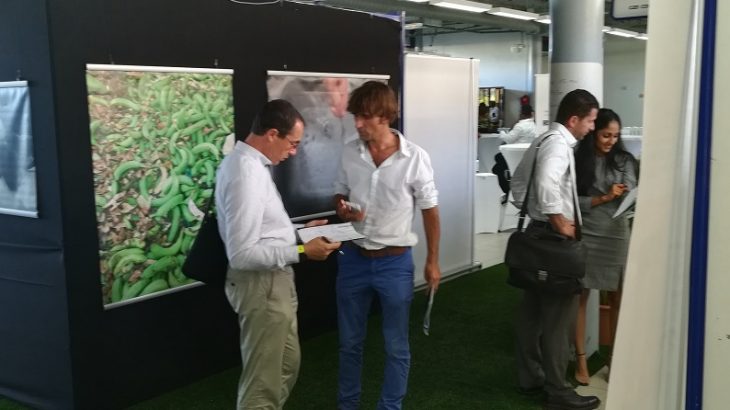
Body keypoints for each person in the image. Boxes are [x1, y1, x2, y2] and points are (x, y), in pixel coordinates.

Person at [215, 99, 341, 409]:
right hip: (262, 287)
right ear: (272, 134)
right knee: (263, 384)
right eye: (293, 143)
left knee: (285, 365)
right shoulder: (246, 173)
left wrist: (300, 231)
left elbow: (263, 231)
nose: (294, 152)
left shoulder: (251, 165)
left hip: (273, 284)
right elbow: (241, 254)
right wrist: (302, 250)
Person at [333, 81, 441, 410]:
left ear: (385, 116)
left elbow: (430, 211)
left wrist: (432, 261)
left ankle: (390, 407)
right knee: (349, 343)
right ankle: (347, 406)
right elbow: (339, 193)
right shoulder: (349, 152)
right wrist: (343, 208)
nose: (357, 124)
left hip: (395, 263)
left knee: (396, 346)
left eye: (364, 117)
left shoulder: (415, 158)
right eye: (355, 116)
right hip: (353, 259)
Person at [510, 89, 601, 410]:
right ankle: (558, 391)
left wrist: (536, 213)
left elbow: (519, 183)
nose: (592, 128)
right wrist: (559, 222)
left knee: (532, 313)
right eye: (590, 121)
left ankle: (530, 377)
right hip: (553, 242)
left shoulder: (544, 139)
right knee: (559, 320)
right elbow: (547, 183)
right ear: (574, 119)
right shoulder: (558, 145)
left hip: (536, 236)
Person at [572, 109, 638, 385]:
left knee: (617, 297)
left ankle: (614, 359)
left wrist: (626, 194)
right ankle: (580, 359)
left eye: (615, 136)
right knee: (580, 295)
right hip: (588, 230)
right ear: (594, 133)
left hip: (616, 232)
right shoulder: (578, 158)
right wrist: (604, 198)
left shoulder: (625, 160)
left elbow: (633, 191)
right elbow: (572, 200)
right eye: (605, 135)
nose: (611, 141)